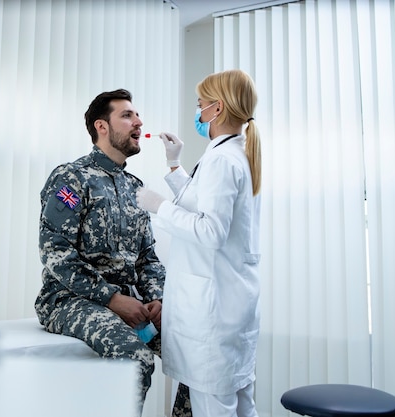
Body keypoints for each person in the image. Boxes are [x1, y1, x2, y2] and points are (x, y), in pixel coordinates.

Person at [34, 88, 190, 416]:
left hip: (129, 301)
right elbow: (56, 253)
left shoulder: (135, 187)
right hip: (68, 301)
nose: (139, 121)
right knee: (136, 360)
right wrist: (112, 299)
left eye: (137, 115)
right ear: (102, 127)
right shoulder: (71, 178)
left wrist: (159, 299)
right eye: (127, 115)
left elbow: (147, 256)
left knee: (198, 355)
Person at [136, 69, 262, 417]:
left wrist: (159, 206)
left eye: (200, 104)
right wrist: (175, 165)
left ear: (217, 108)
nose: (198, 112)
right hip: (233, 304)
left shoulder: (222, 158)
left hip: (213, 310)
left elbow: (210, 231)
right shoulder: (237, 153)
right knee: (241, 405)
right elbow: (206, 202)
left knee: (215, 408)